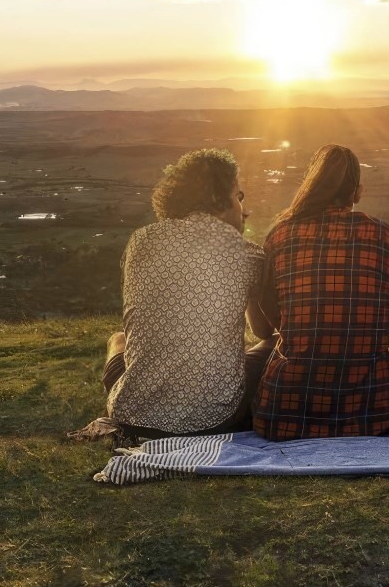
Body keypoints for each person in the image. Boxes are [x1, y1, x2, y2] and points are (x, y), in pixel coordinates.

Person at [250, 144, 389, 441]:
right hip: (373, 411)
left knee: (261, 352)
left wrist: (305, 330)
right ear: (357, 192)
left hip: (287, 413)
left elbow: (268, 307)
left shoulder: (280, 234)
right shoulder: (384, 236)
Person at [103, 148, 267, 437]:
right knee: (273, 344)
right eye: (239, 197)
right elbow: (264, 330)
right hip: (213, 420)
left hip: (132, 415)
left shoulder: (141, 241)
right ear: (218, 198)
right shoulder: (248, 255)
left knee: (119, 338)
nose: (245, 209)